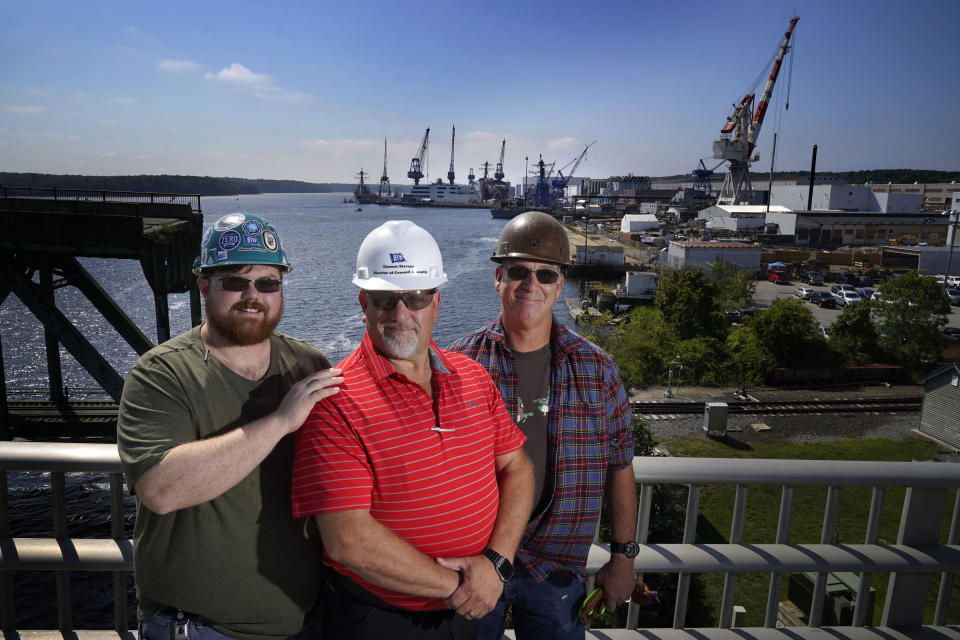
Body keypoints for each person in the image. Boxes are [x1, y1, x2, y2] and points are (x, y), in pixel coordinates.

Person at [291, 220, 534, 640]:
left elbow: (517, 466)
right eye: (386, 299)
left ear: (436, 302)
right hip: (381, 619)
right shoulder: (333, 402)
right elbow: (348, 541)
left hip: (465, 610)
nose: (401, 314)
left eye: (416, 298)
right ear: (363, 304)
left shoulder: (474, 378)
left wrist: (496, 564)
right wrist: (466, 586)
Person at [118, 212, 343, 640]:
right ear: (204, 284)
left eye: (268, 283)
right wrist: (280, 421)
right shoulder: (161, 374)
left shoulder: (308, 365)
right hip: (202, 628)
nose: (252, 295)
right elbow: (161, 490)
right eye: (235, 282)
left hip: (306, 620)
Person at [448, 211, 639, 640]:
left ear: (559, 284)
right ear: (498, 279)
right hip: (477, 562)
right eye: (518, 272)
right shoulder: (459, 365)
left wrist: (623, 558)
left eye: (545, 275)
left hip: (558, 567)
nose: (531, 285)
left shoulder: (596, 368)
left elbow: (620, 465)